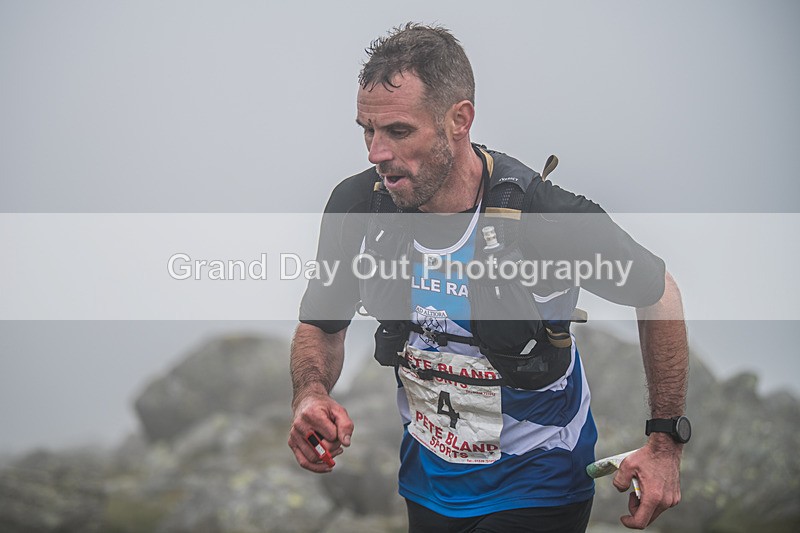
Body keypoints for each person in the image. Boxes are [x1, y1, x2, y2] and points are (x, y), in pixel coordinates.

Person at [288, 23, 688, 533]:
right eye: (368, 129)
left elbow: (659, 293)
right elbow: (321, 325)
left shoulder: (543, 218)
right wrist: (311, 393)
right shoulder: (359, 207)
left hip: (540, 479)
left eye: (399, 131)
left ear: (460, 119)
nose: (376, 153)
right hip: (428, 481)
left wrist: (664, 442)